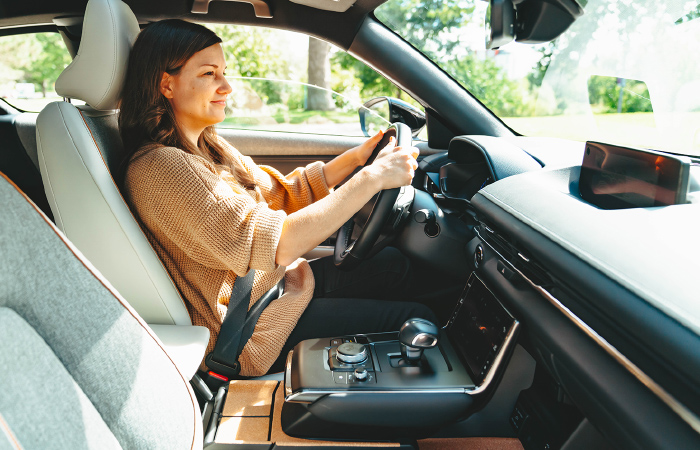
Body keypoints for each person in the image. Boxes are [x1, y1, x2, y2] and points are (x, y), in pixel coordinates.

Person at [119, 19, 437, 377]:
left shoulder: (207, 146)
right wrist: (371, 178)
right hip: (250, 333)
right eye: (209, 74)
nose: (226, 86)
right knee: (415, 318)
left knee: (395, 265)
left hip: (273, 291)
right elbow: (279, 244)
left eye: (224, 72)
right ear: (166, 84)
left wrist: (357, 159)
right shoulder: (162, 168)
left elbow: (280, 195)